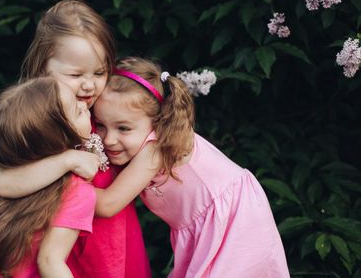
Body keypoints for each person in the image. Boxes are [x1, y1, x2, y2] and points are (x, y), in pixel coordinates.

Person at [92, 56, 290, 278]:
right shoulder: (141, 142)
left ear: (157, 121)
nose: (108, 139)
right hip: (211, 223)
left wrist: (63, 181)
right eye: (100, 124)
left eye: (123, 128)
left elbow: (108, 204)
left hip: (232, 221)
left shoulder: (154, 149)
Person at [0, 0, 151, 277]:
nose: (89, 85)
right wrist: (67, 159)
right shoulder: (39, 122)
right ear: (43, 69)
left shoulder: (106, 115)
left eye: (100, 72)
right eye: (75, 74)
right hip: (56, 248)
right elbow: (5, 182)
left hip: (109, 239)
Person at [0, 77, 96, 278]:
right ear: (59, 139)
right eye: (78, 111)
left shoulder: (17, 169)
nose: (85, 104)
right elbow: (50, 262)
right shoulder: (78, 191)